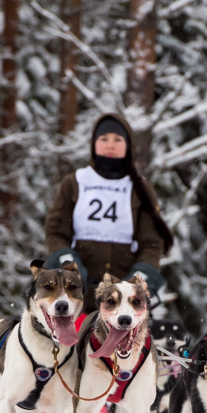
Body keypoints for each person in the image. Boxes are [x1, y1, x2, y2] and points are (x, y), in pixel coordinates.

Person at [45, 114, 174, 311]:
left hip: (125, 301)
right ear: (94, 144)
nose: (110, 145)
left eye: (118, 139)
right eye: (104, 139)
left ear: (128, 146)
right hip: (75, 297)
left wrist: (135, 281)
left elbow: (152, 243)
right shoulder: (74, 183)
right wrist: (69, 265)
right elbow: (56, 232)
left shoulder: (140, 189)